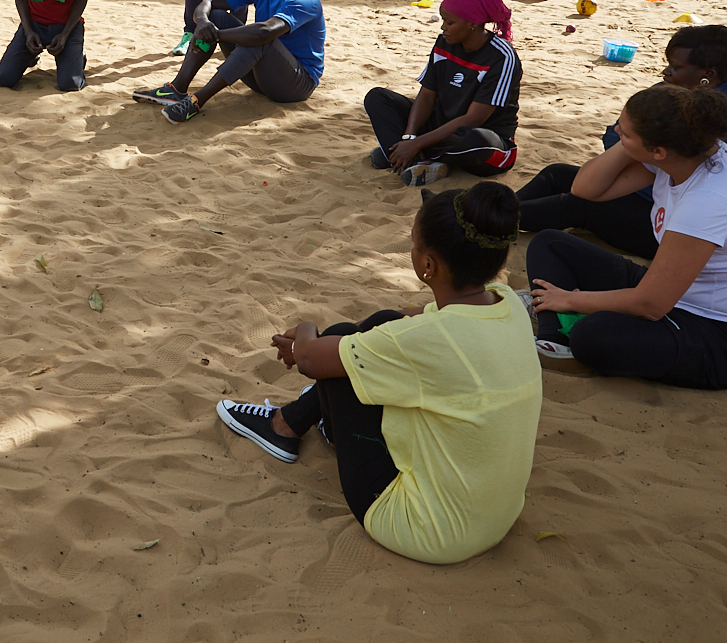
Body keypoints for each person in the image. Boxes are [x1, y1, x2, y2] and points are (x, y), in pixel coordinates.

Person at [216, 182, 540, 565]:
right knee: (378, 327)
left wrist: (306, 329)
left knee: (337, 340)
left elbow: (307, 359)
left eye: (414, 244)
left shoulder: (429, 341)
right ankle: (296, 420)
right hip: (495, 516)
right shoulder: (509, 306)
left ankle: (285, 426)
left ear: (428, 265)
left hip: (425, 531)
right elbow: (405, 321)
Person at [527, 85, 727, 388]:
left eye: (625, 131)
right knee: (549, 243)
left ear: (659, 151)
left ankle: (560, 322)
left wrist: (572, 299)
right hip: (674, 294)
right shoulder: (683, 153)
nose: (616, 129)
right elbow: (585, 190)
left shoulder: (710, 200)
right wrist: (630, 140)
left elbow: (650, 304)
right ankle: (553, 334)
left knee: (592, 335)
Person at [517, 24, 727, 258]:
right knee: (558, 175)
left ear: (708, 74)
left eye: (675, 67)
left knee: (581, 205)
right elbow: (618, 135)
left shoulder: (717, 126)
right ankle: (494, 210)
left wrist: (632, 144)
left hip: (683, 231)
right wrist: (632, 142)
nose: (666, 72)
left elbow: (627, 143)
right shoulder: (676, 93)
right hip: (656, 192)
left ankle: (488, 218)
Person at [133, 0, 322, 124]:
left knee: (258, 37)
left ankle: (197, 100)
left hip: (296, 84)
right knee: (216, 16)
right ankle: (177, 88)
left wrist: (216, 35)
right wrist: (203, 23)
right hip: (262, 77)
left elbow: (265, 32)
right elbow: (209, 3)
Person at [364, 0, 521, 187]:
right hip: (441, 127)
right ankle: (417, 160)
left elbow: (474, 118)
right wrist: (409, 136)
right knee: (378, 98)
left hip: (482, 137)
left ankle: (400, 153)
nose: (443, 27)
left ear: (472, 24)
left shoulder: (502, 56)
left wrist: (417, 143)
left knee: (470, 140)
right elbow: (427, 95)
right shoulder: (444, 43)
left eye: (450, 22)